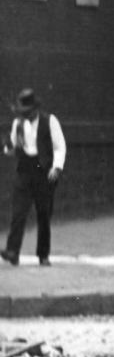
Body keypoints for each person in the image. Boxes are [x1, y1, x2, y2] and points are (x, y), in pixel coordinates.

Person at [1, 88, 66, 266]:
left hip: (44, 171)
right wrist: (7, 146)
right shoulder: (18, 124)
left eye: (27, 112)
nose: (25, 116)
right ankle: (13, 251)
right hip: (24, 170)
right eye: (23, 113)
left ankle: (43, 255)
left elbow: (60, 146)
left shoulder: (50, 121)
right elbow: (12, 147)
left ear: (36, 109)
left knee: (44, 214)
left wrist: (57, 167)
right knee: (18, 213)